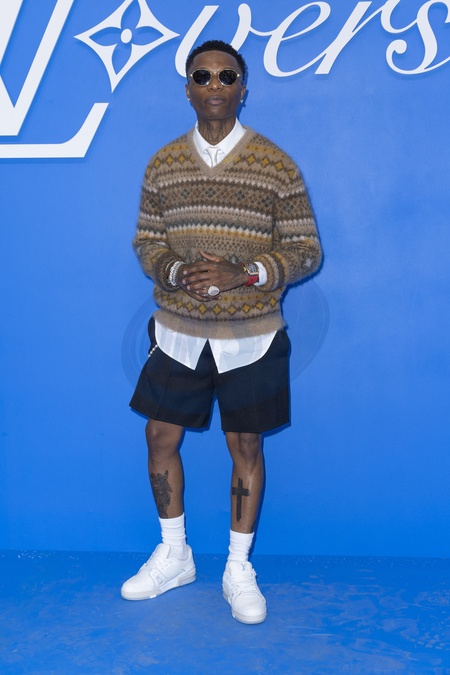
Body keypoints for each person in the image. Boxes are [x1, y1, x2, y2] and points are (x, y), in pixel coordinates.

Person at [121, 39, 322, 624]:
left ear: (242, 89)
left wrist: (247, 272)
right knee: (160, 436)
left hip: (251, 335)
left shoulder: (276, 166)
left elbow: (306, 250)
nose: (215, 85)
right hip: (178, 331)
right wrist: (175, 271)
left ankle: (238, 567)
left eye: (226, 76)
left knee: (246, 446)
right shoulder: (163, 164)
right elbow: (147, 241)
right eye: (203, 76)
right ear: (187, 89)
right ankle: (175, 554)